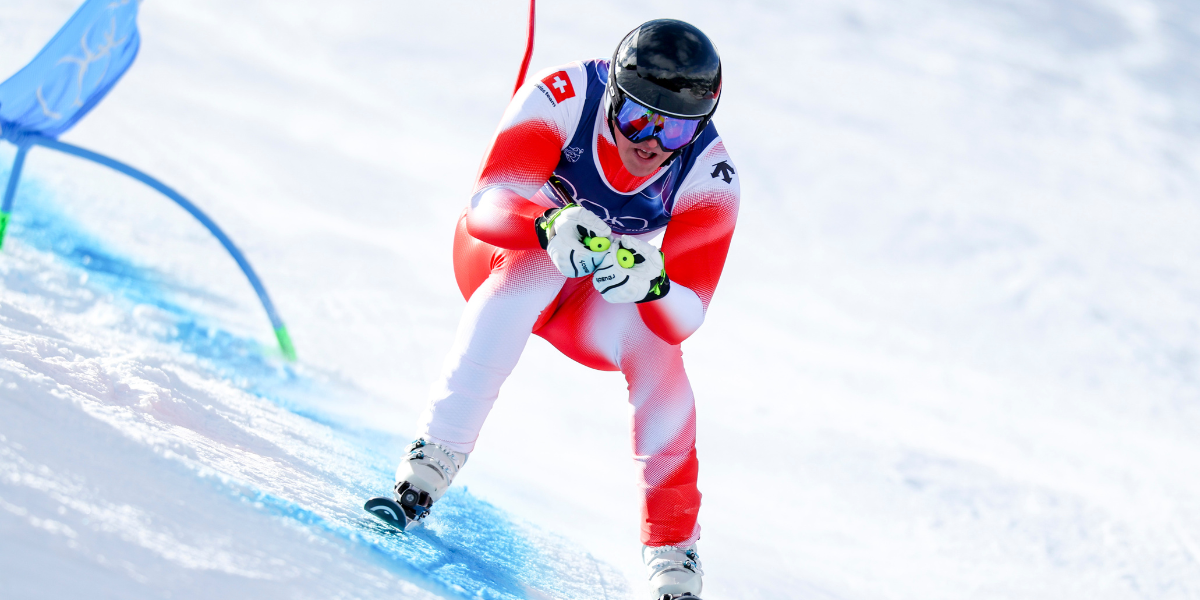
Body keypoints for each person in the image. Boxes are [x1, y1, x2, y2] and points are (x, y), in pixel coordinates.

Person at [394, 19, 739, 600]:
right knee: (530, 274)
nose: (650, 142)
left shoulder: (709, 175)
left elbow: (687, 317)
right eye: (636, 118)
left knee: (658, 354)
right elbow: (485, 209)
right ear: (611, 98)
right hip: (500, 254)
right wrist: (545, 222)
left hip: (587, 298)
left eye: (676, 128)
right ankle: (429, 464)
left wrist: (653, 284)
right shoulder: (564, 98)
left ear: (700, 125)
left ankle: (674, 558)